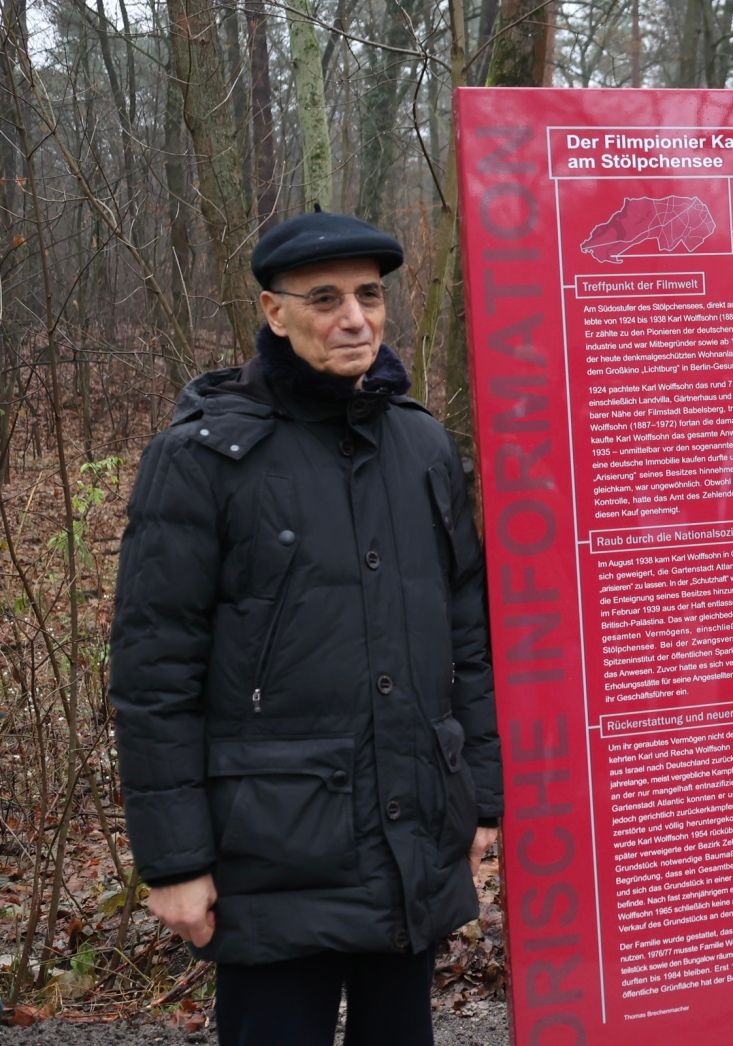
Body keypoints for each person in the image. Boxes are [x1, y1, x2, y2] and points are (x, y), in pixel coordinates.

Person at [109, 209, 503, 1046]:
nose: (354, 317)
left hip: (410, 833)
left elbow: (466, 630)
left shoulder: (423, 446)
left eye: (368, 294)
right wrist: (176, 860)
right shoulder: (203, 458)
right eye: (324, 298)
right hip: (272, 851)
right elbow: (155, 668)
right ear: (274, 312)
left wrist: (478, 799)